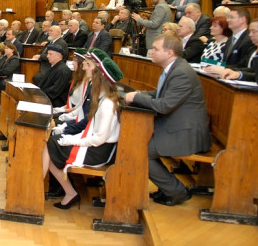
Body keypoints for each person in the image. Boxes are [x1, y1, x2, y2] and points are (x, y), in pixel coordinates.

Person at [125, 35, 211, 206]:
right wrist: (138, 94)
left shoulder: (181, 73)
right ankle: (169, 188)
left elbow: (164, 105)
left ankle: (176, 191)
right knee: (140, 146)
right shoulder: (174, 68)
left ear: (170, 52)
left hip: (185, 132)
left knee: (142, 152)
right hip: (177, 125)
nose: (151, 51)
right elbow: (159, 95)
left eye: (156, 49)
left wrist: (136, 97)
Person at [44, 49, 124, 209]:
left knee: (49, 145)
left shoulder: (107, 103)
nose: (84, 67)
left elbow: (99, 138)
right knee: (49, 144)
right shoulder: (99, 95)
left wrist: (72, 139)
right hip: (93, 143)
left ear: (99, 73)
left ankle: (43, 189)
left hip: (98, 151)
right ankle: (67, 191)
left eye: (88, 64)